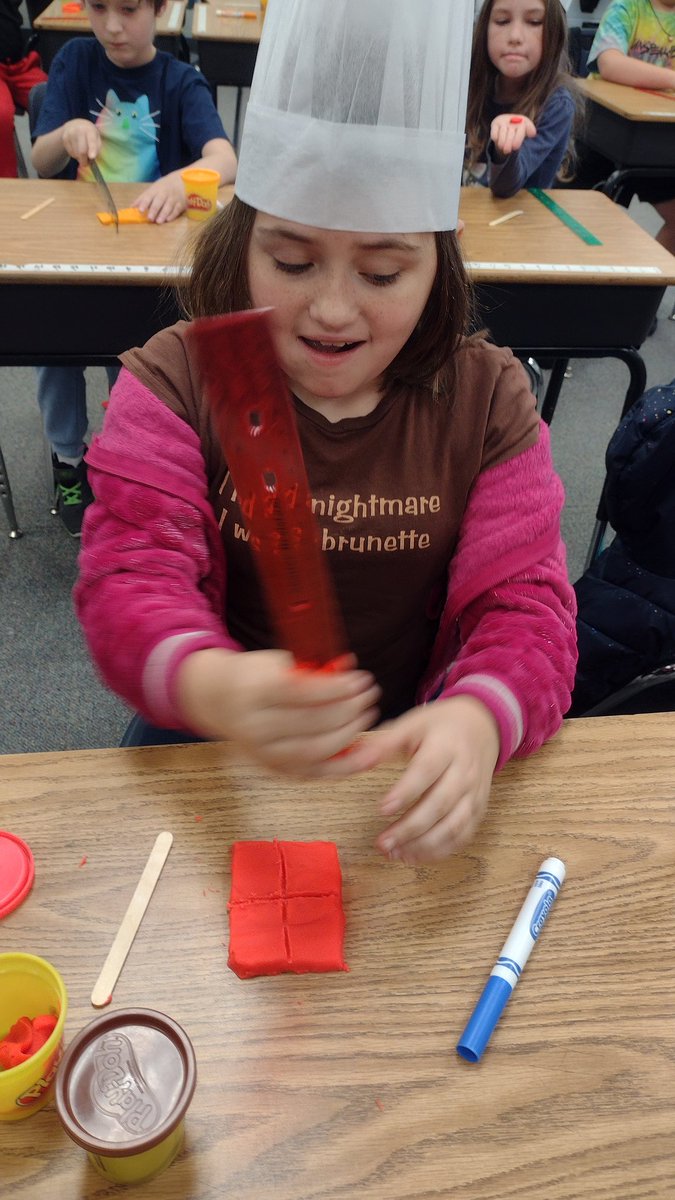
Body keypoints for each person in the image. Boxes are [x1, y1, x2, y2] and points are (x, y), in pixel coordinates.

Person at [75, 0, 577, 866]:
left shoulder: (485, 400)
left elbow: (527, 612)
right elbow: (127, 581)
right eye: (293, 260)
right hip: (212, 752)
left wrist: (480, 713)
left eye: (383, 270)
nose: (333, 309)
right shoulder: (181, 382)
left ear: (439, 260)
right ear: (242, 240)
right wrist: (211, 679)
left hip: (399, 760)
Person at [30, 0, 238, 536]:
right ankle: (68, 460)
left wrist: (179, 178)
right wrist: (66, 131)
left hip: (144, 257)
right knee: (53, 352)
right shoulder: (75, 61)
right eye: (98, 8)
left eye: (128, 9)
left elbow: (225, 157)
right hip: (75, 248)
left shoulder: (180, 79)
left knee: (138, 362)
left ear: (160, 9)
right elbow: (41, 160)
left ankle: (128, 460)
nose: (113, 26)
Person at [580, 0, 675, 254]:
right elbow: (609, 64)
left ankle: (650, 288)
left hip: (658, 139)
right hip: (603, 133)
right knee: (583, 226)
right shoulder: (627, 7)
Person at [465, 0, 577, 196]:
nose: (515, 37)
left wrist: (504, 149)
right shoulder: (470, 86)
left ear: (555, 32)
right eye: (502, 21)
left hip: (518, 221)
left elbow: (504, 188)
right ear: (484, 29)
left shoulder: (557, 105)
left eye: (534, 22)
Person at [0, 0, 47, 176]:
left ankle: (56, 176)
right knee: (1, 115)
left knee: (54, 97)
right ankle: (7, 189)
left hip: (18, 64)